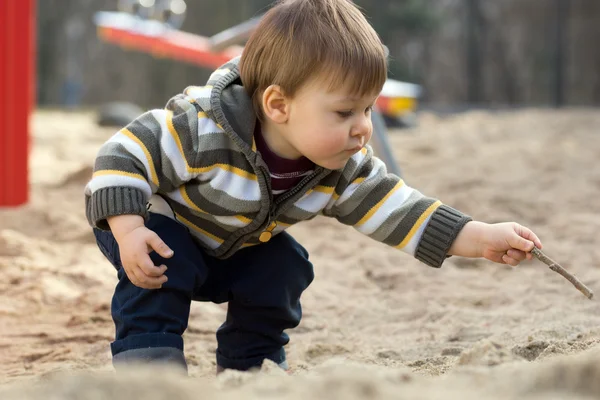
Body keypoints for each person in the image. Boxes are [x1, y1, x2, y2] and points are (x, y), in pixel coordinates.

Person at [86, 0, 543, 374]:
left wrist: (480, 237)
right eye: (345, 113)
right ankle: (148, 372)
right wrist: (127, 229)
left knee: (284, 266)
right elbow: (119, 154)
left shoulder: (339, 169)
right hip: (152, 229)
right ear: (279, 105)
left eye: (368, 110)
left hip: (231, 244)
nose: (362, 128)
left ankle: (251, 369)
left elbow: (401, 210)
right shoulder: (202, 131)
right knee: (163, 265)